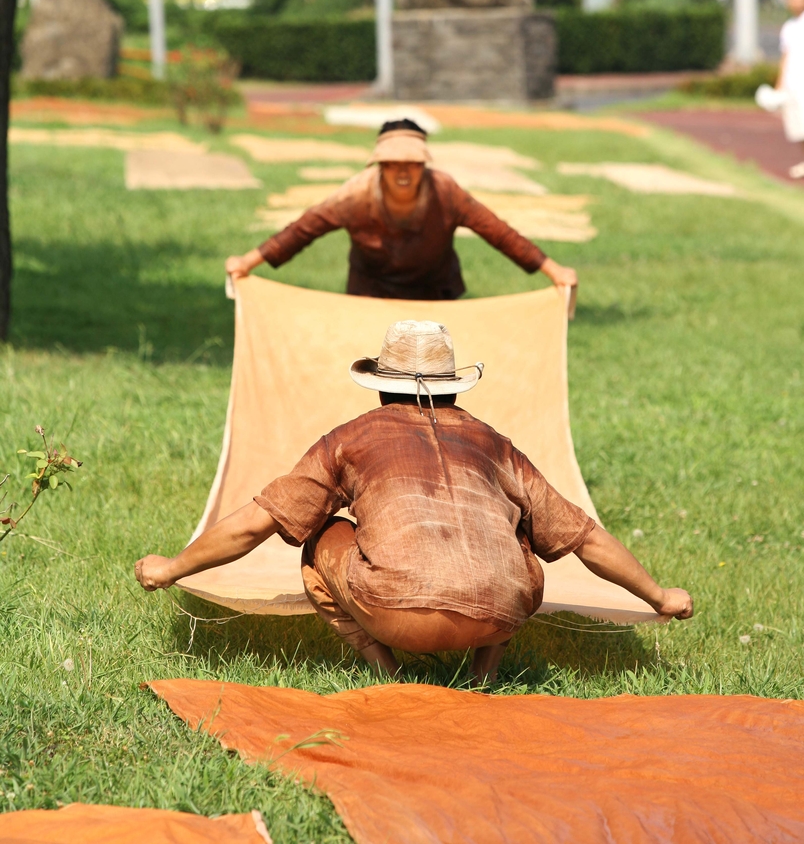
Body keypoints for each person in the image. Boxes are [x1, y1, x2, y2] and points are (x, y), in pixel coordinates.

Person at [135, 320, 693, 684]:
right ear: (453, 387)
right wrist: (658, 594)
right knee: (524, 534)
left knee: (315, 534)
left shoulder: (350, 438)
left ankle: (385, 670)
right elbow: (584, 538)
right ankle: (481, 677)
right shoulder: (494, 443)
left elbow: (256, 522)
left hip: (394, 614)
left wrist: (173, 567)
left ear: (379, 386)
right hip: (499, 618)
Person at [225, 119, 577, 300]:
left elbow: (498, 232)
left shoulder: (445, 193)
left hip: (433, 292)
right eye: (393, 164)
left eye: (411, 163)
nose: (403, 172)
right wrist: (246, 263)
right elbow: (303, 230)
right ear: (379, 166)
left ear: (424, 165)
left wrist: (554, 271)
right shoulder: (356, 195)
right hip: (371, 292)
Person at [776, 0, 804, 179]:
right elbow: (785, 55)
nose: (797, 2)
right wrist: (779, 82)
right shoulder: (788, 27)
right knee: (797, 126)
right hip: (792, 82)